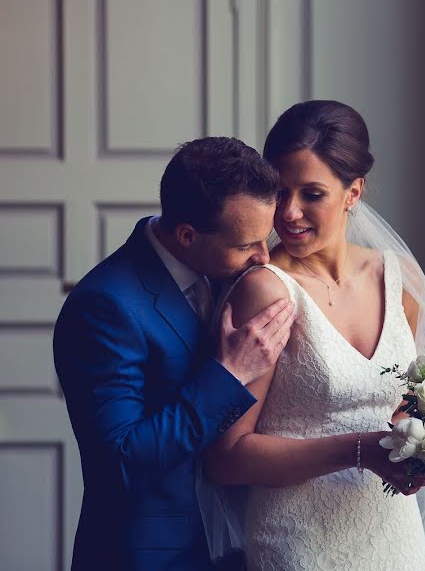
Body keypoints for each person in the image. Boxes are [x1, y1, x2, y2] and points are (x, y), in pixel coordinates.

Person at [202, 101, 425, 570]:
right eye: (279, 192)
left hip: (394, 537)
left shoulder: (400, 279)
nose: (289, 213)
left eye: (311, 194)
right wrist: (358, 450)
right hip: (298, 543)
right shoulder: (266, 290)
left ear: (353, 192)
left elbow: (403, 404)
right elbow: (228, 458)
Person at [53, 137, 296, 571]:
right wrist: (228, 374)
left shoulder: (234, 275)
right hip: (150, 556)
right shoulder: (104, 306)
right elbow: (118, 465)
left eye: (267, 238)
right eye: (247, 245)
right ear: (186, 235)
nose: (264, 258)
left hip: (245, 545)